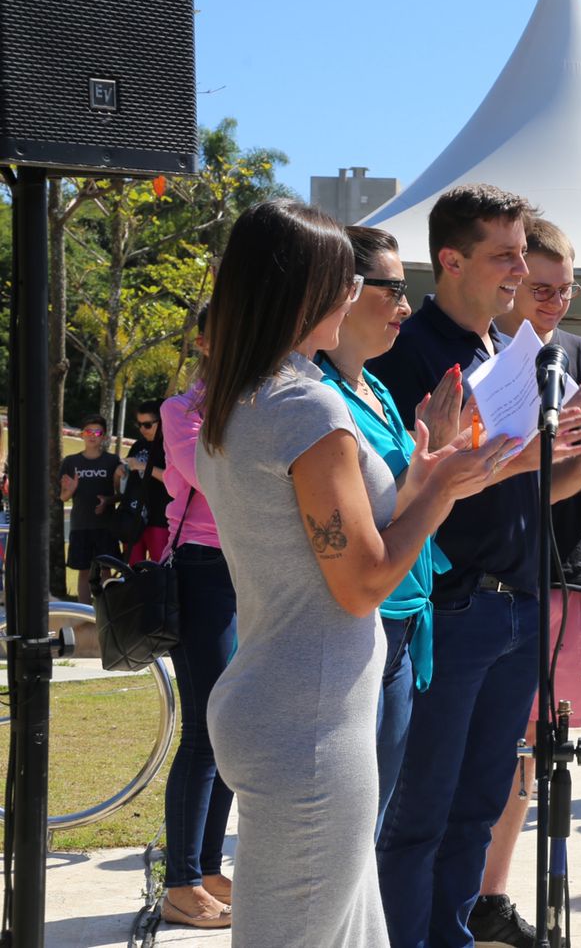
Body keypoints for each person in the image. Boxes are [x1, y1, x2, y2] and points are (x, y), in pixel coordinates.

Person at [195, 200, 516, 947]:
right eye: (345, 281)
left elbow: (332, 542)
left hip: (286, 701)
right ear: (303, 290)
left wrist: (427, 476)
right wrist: (438, 490)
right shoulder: (304, 408)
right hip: (309, 722)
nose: (358, 296)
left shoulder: (247, 393)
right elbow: (363, 582)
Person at [368, 186, 581, 948]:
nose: (520, 274)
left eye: (526, 256)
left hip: (522, 606)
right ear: (450, 260)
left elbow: (525, 478)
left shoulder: (501, 348)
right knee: (419, 813)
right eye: (506, 257)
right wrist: (474, 450)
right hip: (451, 609)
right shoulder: (407, 352)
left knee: (480, 805)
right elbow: (409, 490)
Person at [476, 210, 581, 944]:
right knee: (499, 747)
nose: (553, 303)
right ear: (511, 283)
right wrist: (570, 449)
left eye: (565, 289)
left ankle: (513, 894)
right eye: (540, 288)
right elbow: (488, 475)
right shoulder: (490, 358)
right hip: (500, 575)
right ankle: (482, 891)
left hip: (572, 572)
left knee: (550, 751)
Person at [316, 224, 453, 838]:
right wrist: (440, 477)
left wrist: (440, 453)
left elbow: (400, 494)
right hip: (355, 624)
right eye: (392, 289)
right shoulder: (315, 399)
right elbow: (367, 517)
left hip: (402, 617)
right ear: (342, 291)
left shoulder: (373, 388)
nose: (405, 306)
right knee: (344, 832)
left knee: (369, 827)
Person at [158, 303, 238, 930]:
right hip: (204, 570)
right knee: (206, 732)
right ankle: (181, 880)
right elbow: (210, 476)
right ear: (206, 341)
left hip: (250, 571)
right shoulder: (182, 410)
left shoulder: (256, 401)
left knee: (235, 728)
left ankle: (207, 868)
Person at [59, 414, 121, 601]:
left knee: (105, 570)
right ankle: (84, 613)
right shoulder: (71, 462)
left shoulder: (112, 461)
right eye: (88, 431)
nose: (92, 435)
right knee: (84, 572)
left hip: (106, 526)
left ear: (103, 436)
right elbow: (62, 497)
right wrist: (71, 489)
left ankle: (106, 613)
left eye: (97, 432)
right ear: (82, 435)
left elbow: (121, 495)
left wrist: (108, 501)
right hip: (81, 526)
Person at [123, 400, 172, 563]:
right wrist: (120, 471)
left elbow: (174, 480)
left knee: (160, 569)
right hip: (133, 517)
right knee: (131, 569)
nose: (142, 429)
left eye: (148, 425)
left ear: (162, 421)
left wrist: (143, 466)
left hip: (160, 518)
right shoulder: (138, 445)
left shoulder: (170, 446)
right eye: (139, 424)